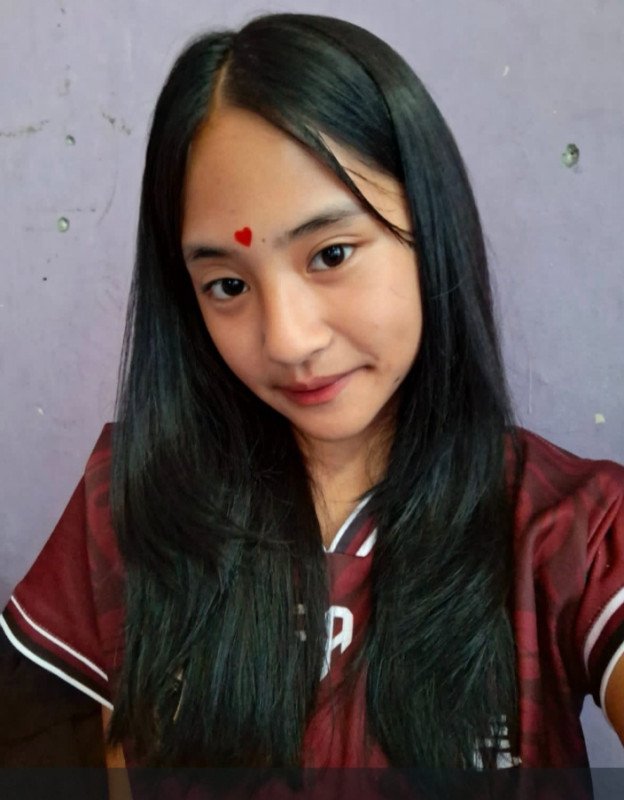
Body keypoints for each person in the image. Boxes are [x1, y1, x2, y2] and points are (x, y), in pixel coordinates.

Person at [1, 10, 624, 783]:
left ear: (430, 229)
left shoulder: (569, 530)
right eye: (227, 285)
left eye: (331, 254)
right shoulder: (133, 502)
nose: (288, 340)